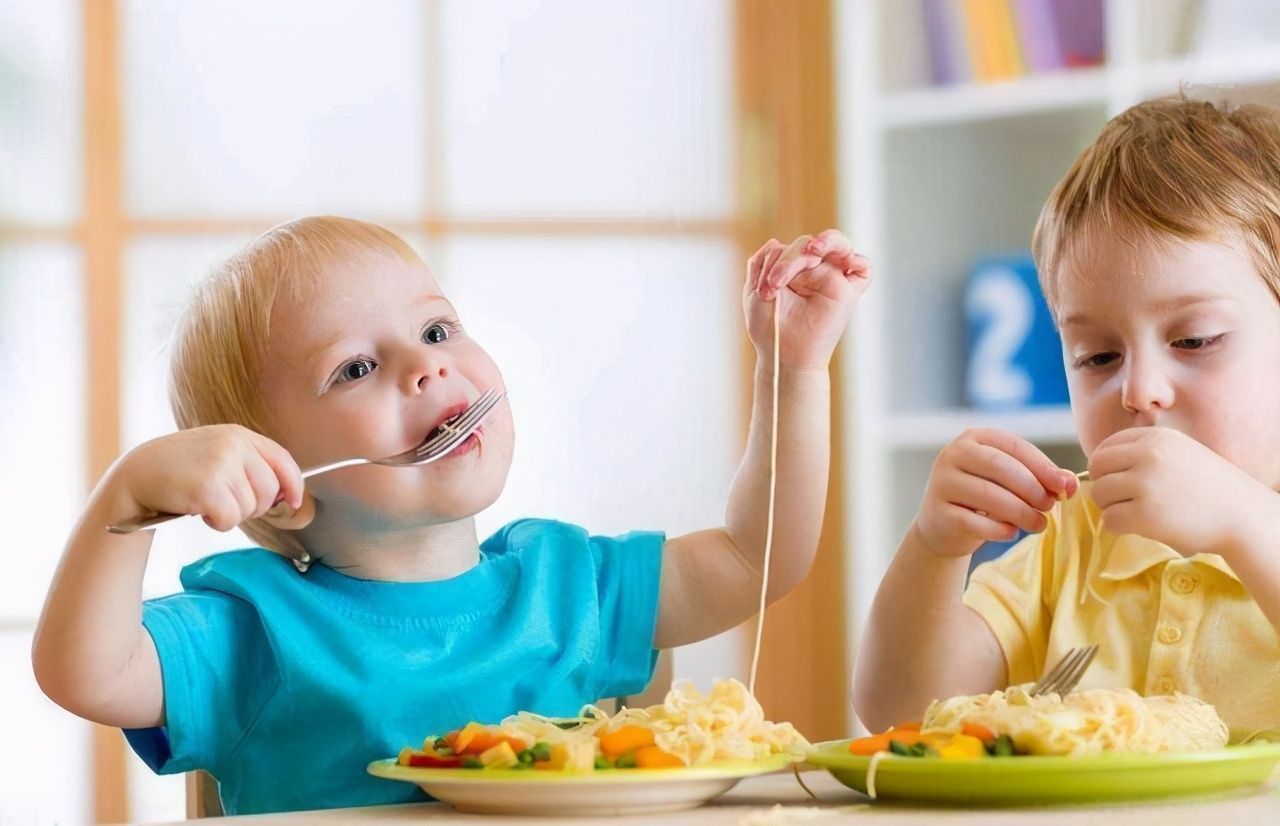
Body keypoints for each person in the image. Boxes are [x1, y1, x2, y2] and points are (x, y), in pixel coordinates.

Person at [33, 216, 870, 813]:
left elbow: (762, 558)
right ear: (279, 479)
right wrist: (128, 501)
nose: (425, 368)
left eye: (437, 329)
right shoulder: (260, 630)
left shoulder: (572, 585)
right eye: (356, 367)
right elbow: (85, 673)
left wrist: (791, 371)